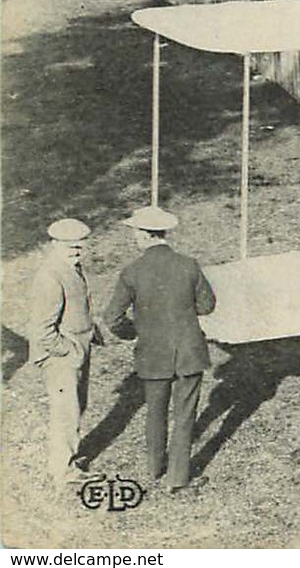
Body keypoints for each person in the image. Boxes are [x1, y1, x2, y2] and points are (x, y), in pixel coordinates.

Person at [99, 206, 216, 493]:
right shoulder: (189, 265)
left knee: (155, 411)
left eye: (135, 232)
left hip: (152, 353)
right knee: (185, 414)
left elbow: (111, 318)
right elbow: (207, 305)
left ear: (144, 235)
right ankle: (177, 478)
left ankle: (153, 469)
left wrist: (136, 333)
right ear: (163, 233)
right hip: (189, 350)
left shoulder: (132, 272)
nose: (134, 238)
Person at [29, 218, 99, 486]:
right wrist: (69, 351)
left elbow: (80, 305)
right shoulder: (50, 276)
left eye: (80, 246)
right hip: (61, 357)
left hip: (76, 349)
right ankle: (63, 469)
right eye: (70, 247)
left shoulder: (72, 267)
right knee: (65, 411)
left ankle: (69, 456)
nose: (76, 252)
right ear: (54, 244)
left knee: (76, 406)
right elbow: (42, 331)